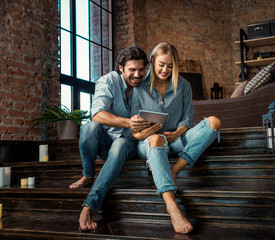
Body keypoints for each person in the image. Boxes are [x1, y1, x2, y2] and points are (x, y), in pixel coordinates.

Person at [128, 42, 222, 234]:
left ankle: (174, 171)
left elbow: (187, 119)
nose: (165, 70)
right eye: (161, 64)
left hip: (176, 139)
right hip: (149, 142)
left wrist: (177, 134)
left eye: (170, 66)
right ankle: (171, 205)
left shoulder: (184, 85)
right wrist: (145, 133)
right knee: (156, 140)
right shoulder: (139, 88)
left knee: (214, 122)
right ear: (153, 61)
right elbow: (133, 131)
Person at [69, 47, 160, 231]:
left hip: (130, 142)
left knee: (119, 145)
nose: (137, 74)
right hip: (106, 142)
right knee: (89, 127)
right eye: (132, 70)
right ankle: (88, 174)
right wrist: (128, 122)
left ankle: (89, 206)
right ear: (120, 68)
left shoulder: (147, 83)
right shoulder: (108, 81)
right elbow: (97, 115)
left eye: (141, 69)